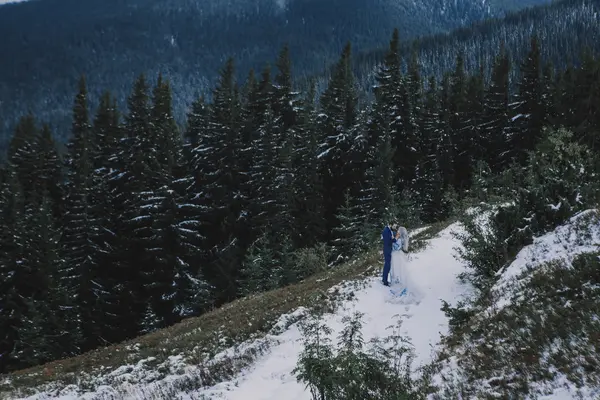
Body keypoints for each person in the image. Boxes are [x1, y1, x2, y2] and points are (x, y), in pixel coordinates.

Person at [389, 226, 424, 301]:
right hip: (399, 255)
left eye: (398, 231)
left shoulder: (398, 239)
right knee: (400, 269)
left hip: (396, 255)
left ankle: (398, 282)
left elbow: (396, 247)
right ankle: (399, 281)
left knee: (397, 269)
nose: (397, 232)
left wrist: (393, 241)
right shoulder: (401, 239)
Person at [381, 222, 397, 286]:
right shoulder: (386, 231)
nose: (395, 228)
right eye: (394, 226)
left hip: (388, 249)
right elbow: (389, 241)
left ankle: (385, 279)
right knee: (387, 265)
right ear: (390, 225)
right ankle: (385, 281)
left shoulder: (389, 230)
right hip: (387, 249)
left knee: (388, 265)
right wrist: (396, 238)